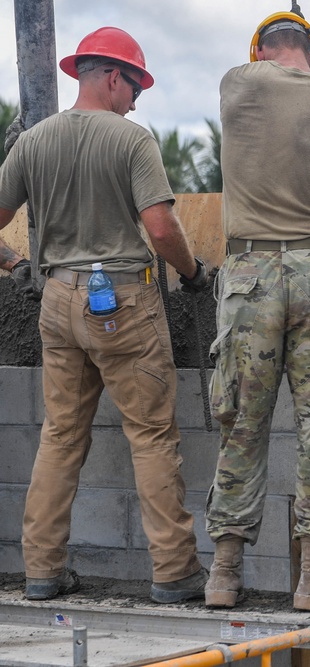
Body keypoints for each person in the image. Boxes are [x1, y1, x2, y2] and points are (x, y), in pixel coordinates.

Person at [0, 26, 211, 603]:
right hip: (122, 301)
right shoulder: (131, 141)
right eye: (136, 86)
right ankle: (173, 573)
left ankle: (42, 571)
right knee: (150, 434)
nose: (138, 100)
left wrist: (17, 264)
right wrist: (193, 275)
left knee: (60, 435)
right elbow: (163, 228)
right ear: (113, 78)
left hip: (57, 299)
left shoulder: (33, 142)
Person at [203, 9, 310, 612]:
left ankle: (224, 574)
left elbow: (258, 76)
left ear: (259, 50)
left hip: (247, 275)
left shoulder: (236, 84)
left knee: (241, 424)